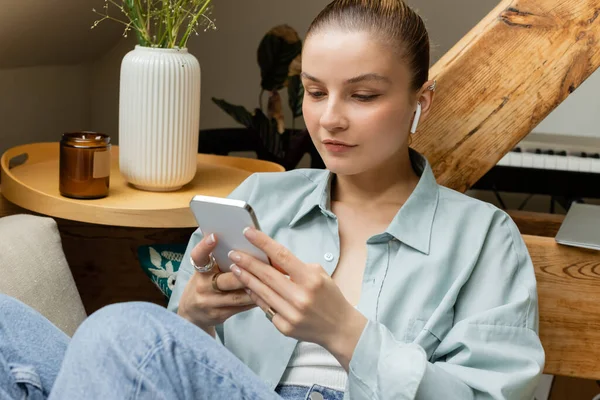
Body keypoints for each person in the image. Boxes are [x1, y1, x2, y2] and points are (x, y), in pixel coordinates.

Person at [0, 0, 544, 399]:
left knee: (121, 330)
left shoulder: (484, 238)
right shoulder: (262, 196)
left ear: (418, 101)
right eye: (314, 91)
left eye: (363, 95)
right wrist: (192, 312)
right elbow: (168, 361)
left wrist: (343, 331)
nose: (330, 117)